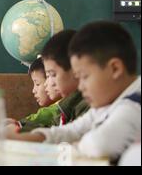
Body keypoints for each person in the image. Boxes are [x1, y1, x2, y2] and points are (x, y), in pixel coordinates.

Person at [8, 21, 141, 161]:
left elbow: (98, 145)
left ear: (115, 69)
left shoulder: (134, 105)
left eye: (84, 77)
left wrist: (76, 144)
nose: (81, 86)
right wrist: (19, 138)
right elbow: (73, 130)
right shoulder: (107, 105)